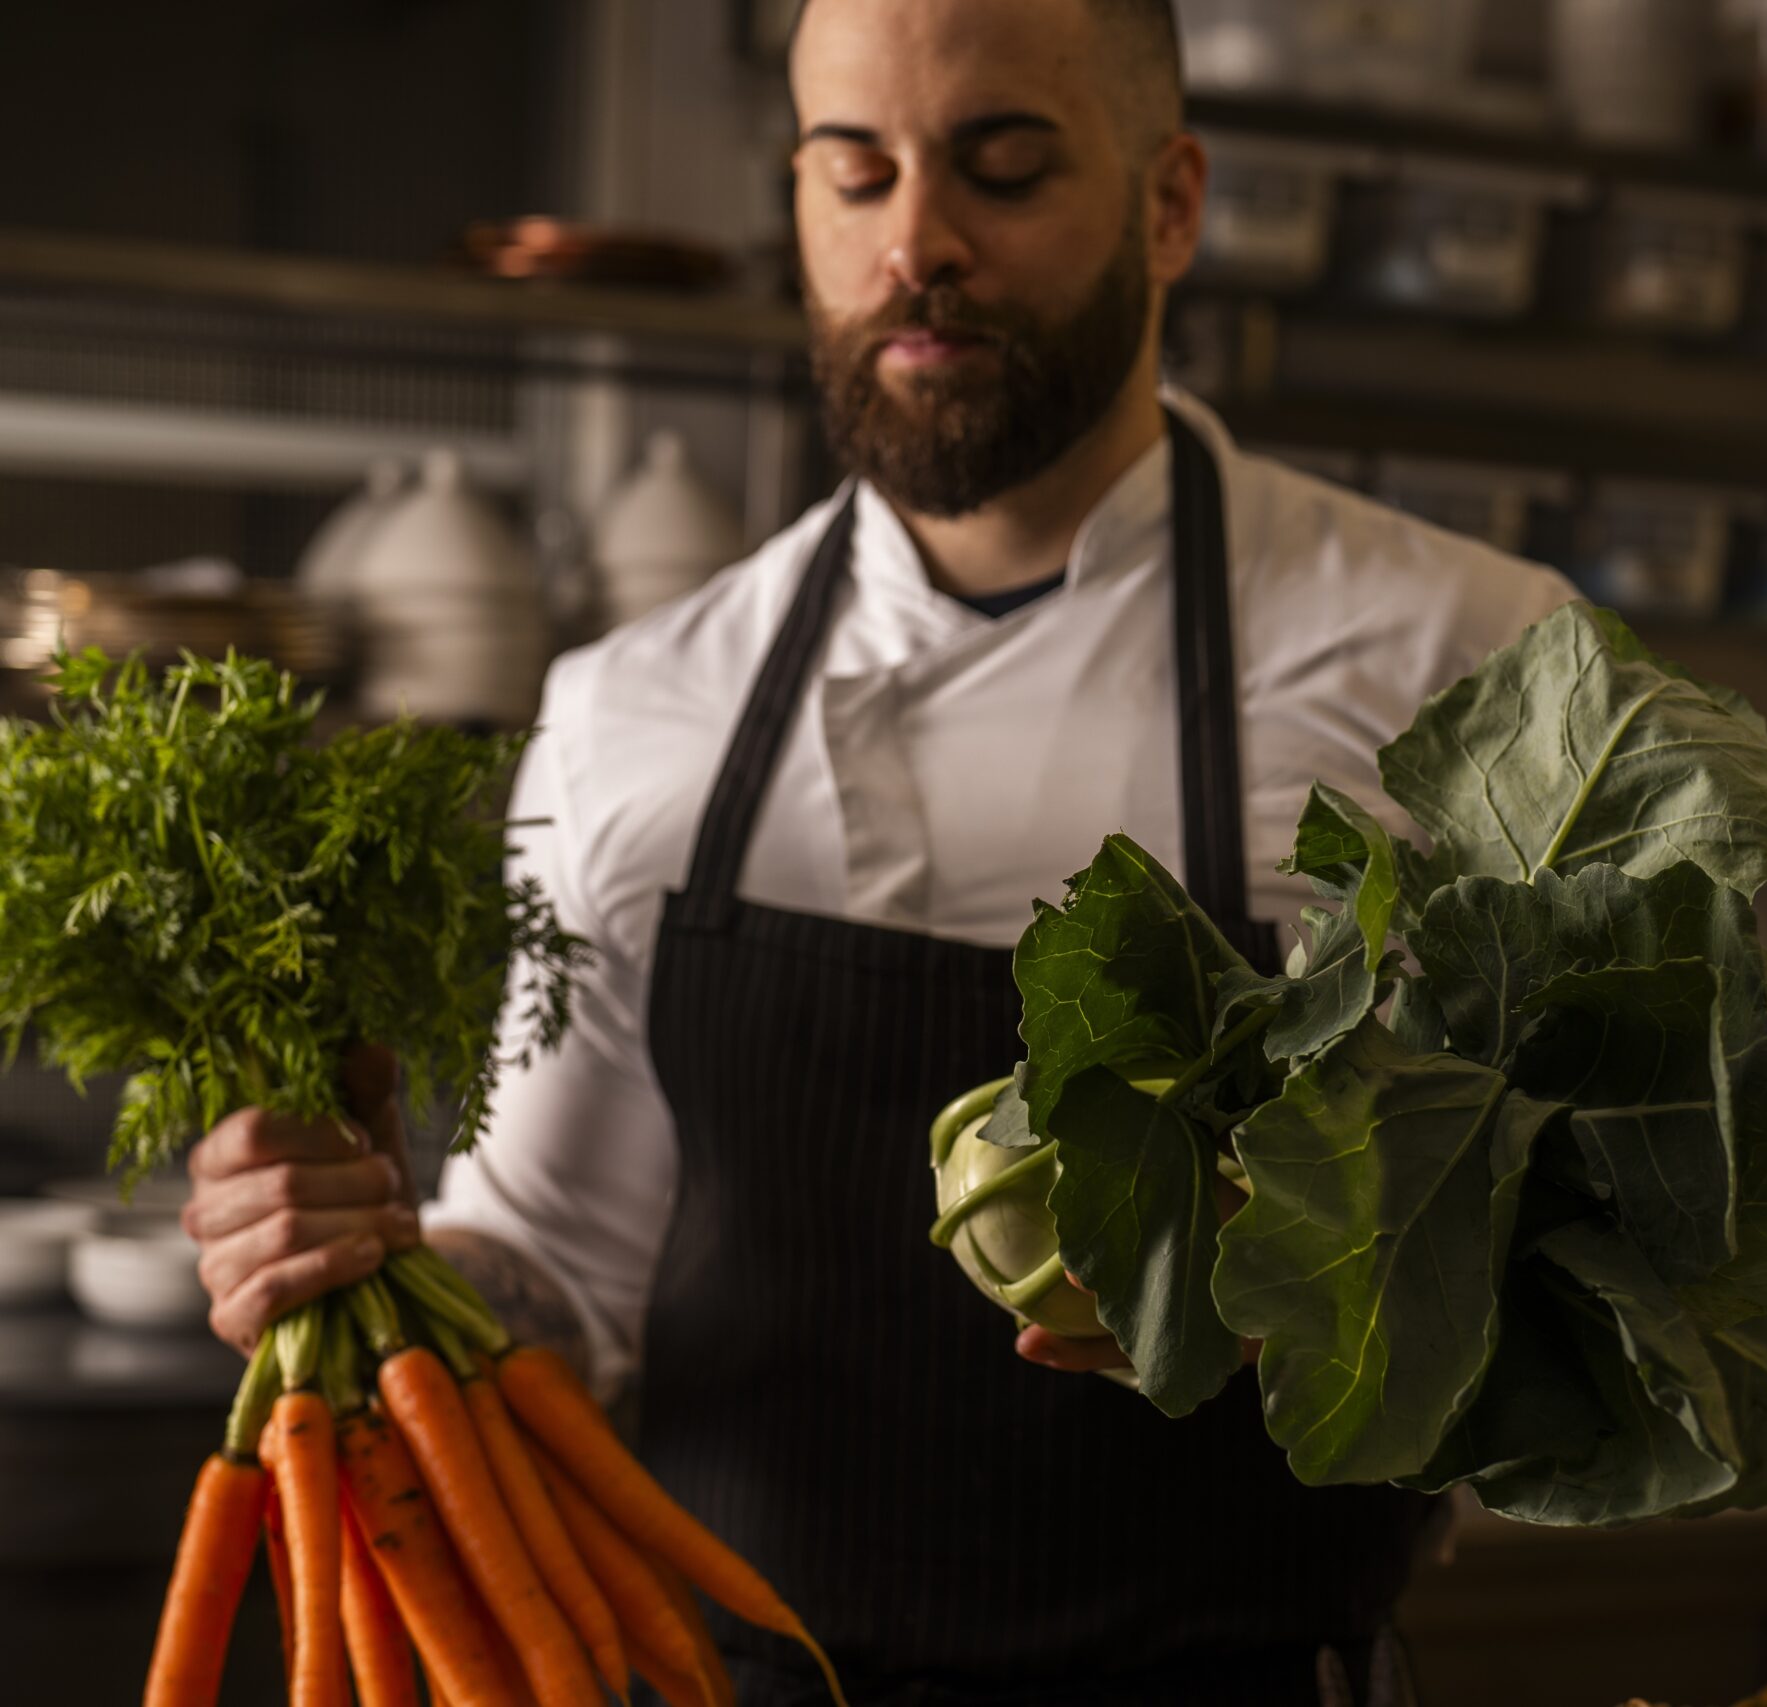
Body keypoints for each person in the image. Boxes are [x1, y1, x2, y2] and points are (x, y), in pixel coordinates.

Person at [181, 1, 1576, 1700]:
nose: (917, 244)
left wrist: (1333, 1270)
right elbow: (557, 1277)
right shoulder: (638, 709)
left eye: (1005, 169)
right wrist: (368, 1267)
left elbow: (1621, 1277)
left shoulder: (1470, 666)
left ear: (1170, 205)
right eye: (855, 176)